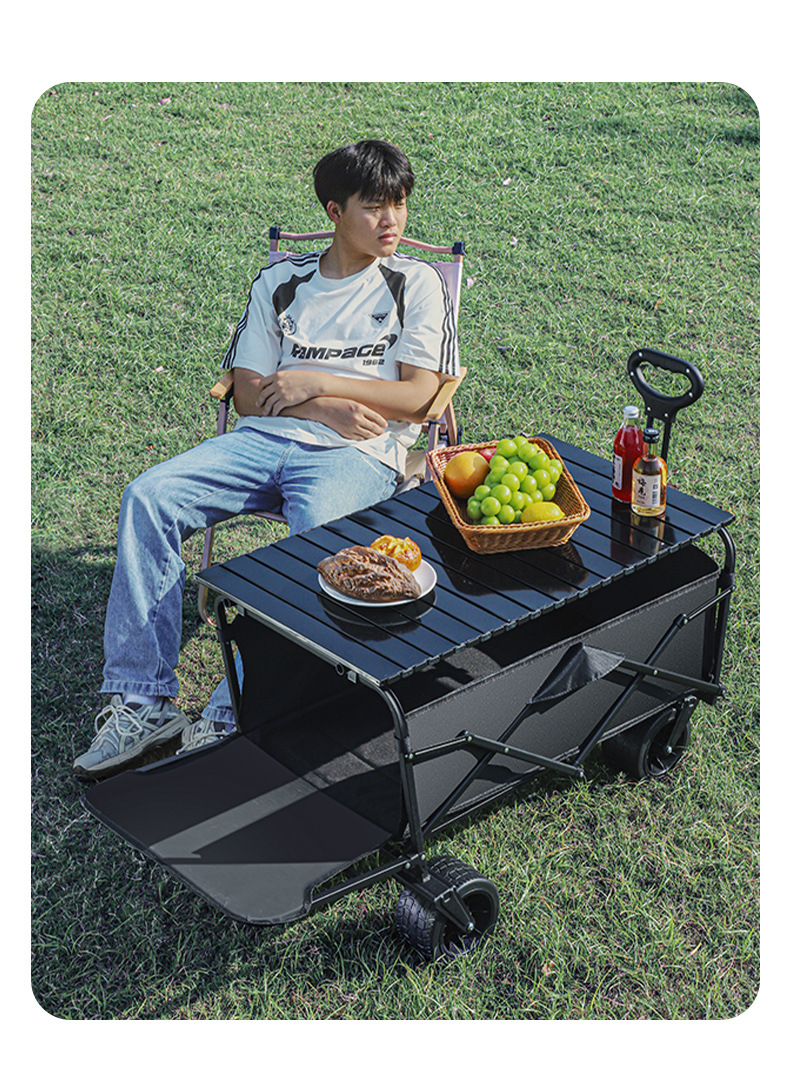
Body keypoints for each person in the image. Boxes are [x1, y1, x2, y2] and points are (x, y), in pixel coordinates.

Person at [73, 138, 460, 781]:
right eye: (373, 207)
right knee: (148, 496)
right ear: (335, 211)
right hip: (264, 440)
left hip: (358, 453)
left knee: (312, 549)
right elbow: (251, 392)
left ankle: (232, 712)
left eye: (399, 205)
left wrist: (315, 382)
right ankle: (143, 704)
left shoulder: (416, 283)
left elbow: (421, 396)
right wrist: (320, 406)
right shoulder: (280, 283)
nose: (391, 220)